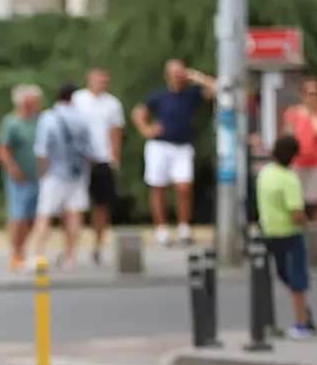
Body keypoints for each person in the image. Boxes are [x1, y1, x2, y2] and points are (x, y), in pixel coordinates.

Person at [131, 59, 216, 247]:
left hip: (182, 146)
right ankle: (161, 229)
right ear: (167, 75)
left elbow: (216, 88)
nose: (178, 76)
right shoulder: (159, 95)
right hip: (160, 145)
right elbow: (138, 112)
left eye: (180, 72)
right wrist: (145, 129)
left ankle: (183, 227)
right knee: (158, 187)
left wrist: (196, 76)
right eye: (175, 73)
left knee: (184, 187)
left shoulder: (192, 94)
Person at [256, 135, 316, 339]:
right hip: (290, 232)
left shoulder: (265, 173)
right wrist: (308, 225)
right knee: (298, 277)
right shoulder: (289, 179)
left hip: (269, 231)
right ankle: (301, 323)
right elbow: (296, 212)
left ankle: (301, 315)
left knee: (284, 274)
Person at [29, 82, 92, 271]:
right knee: (73, 214)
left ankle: (38, 256)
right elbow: (89, 150)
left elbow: (41, 150)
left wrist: (42, 173)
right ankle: (70, 257)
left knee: (44, 216)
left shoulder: (49, 118)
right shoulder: (82, 118)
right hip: (77, 174)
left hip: (54, 174)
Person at [72, 67, 125, 264]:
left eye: (105, 80)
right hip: (81, 159)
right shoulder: (78, 99)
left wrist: (114, 157)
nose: (102, 84)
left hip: (103, 158)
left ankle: (97, 245)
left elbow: (116, 131)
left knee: (101, 204)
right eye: (99, 79)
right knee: (74, 204)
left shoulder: (112, 104)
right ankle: (72, 245)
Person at [282, 76, 317, 248]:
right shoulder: (292, 113)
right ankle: (299, 240)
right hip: (298, 164)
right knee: (298, 204)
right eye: (310, 94)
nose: (313, 97)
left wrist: (311, 113)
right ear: (302, 95)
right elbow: (288, 135)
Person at [0, 85, 43, 270]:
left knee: (32, 217)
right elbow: (2, 148)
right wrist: (12, 168)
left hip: (37, 176)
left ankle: (22, 249)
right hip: (18, 178)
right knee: (18, 216)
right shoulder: (12, 122)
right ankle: (15, 252)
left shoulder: (38, 121)